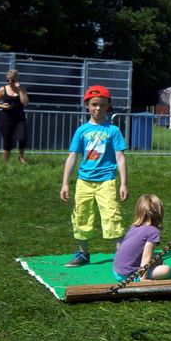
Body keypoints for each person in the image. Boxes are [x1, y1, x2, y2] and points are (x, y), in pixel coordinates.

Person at [59, 85, 128, 267]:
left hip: (107, 181)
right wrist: (65, 183)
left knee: (112, 216)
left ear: (108, 107)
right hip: (84, 182)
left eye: (102, 105)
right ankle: (83, 254)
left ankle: (121, 256)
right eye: (94, 104)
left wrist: (123, 184)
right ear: (88, 105)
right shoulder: (81, 131)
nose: (98, 108)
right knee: (81, 216)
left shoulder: (113, 131)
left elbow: (120, 157)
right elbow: (72, 156)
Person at [113, 194, 171, 280]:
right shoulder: (153, 231)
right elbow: (146, 257)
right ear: (159, 213)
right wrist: (143, 279)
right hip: (128, 275)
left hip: (117, 271)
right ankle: (139, 277)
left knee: (158, 259)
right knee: (166, 270)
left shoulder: (134, 228)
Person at [0, 69, 29, 163]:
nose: (10, 82)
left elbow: (25, 103)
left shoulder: (22, 89)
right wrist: (2, 106)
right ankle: (5, 162)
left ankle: (21, 157)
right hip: (6, 117)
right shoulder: (2, 89)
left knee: (22, 137)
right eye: (8, 80)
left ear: (17, 79)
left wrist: (20, 90)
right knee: (7, 139)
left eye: (12, 80)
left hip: (19, 117)